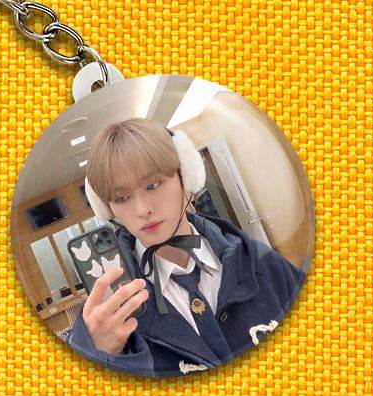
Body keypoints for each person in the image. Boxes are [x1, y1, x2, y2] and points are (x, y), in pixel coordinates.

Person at [66, 117, 307, 377]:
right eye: (121, 198)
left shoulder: (259, 262)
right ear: (106, 209)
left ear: (187, 176)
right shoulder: (108, 316)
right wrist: (100, 356)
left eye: (153, 185)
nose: (142, 209)